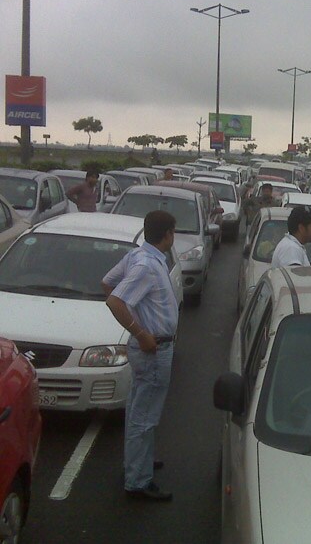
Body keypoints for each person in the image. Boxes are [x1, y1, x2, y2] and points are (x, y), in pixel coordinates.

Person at [102, 210, 179, 502]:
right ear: (167, 234)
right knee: (144, 415)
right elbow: (114, 298)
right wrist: (140, 331)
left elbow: (107, 282)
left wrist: (139, 314)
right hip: (153, 348)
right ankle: (138, 479)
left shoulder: (139, 257)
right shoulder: (146, 265)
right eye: (173, 232)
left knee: (139, 408)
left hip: (152, 347)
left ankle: (138, 461)